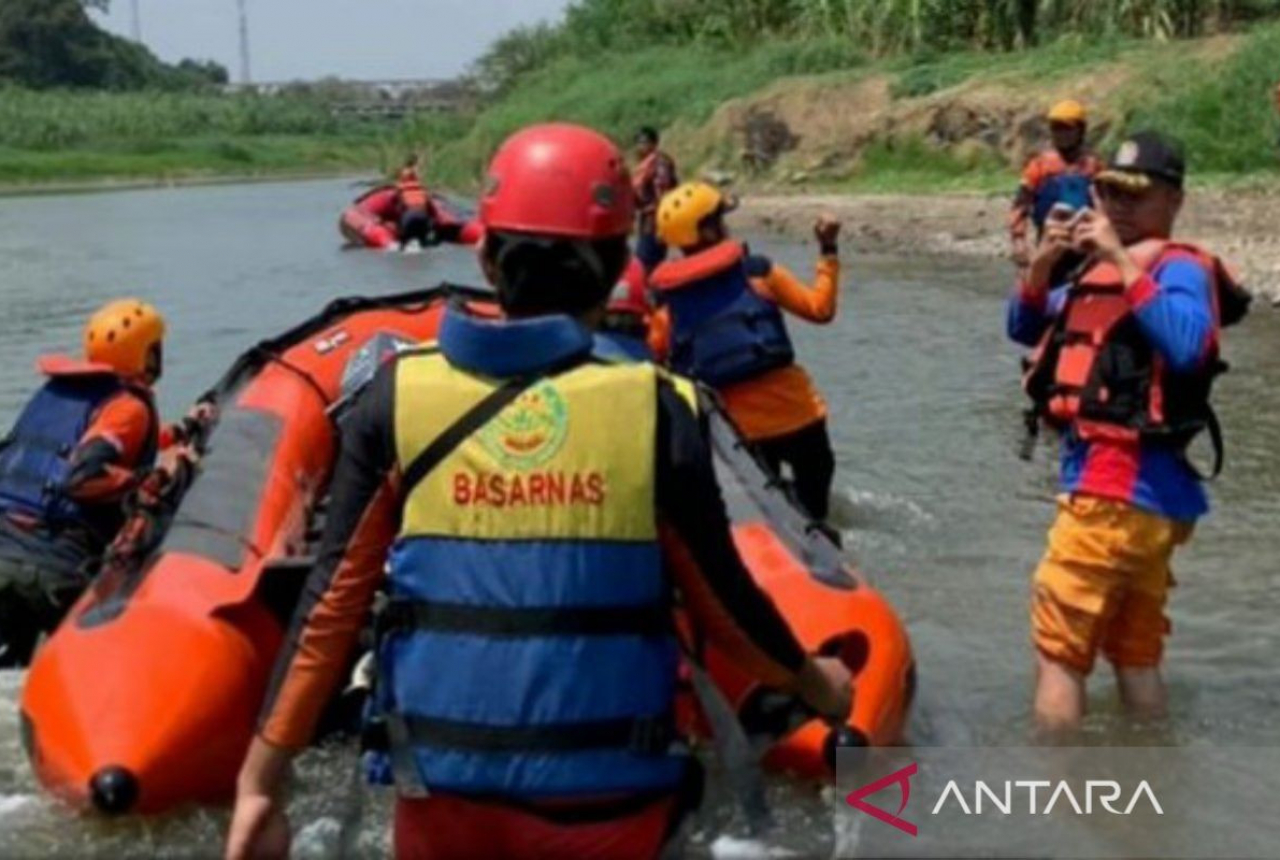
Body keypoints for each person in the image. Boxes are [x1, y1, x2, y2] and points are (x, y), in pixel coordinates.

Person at [225, 123, 852, 860]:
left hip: (442, 804)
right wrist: (822, 686)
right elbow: (727, 607)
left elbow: (330, 608)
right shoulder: (658, 406)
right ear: (621, 264)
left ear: (487, 257)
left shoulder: (393, 399)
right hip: (607, 806)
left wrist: (261, 783)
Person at [1008, 131, 1249, 733]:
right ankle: (1145, 791)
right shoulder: (1097, 269)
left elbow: (1190, 345)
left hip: (1111, 493)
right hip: (1149, 507)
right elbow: (1023, 324)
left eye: (1136, 196)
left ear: (1173, 201)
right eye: (1109, 191)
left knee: (1059, 654)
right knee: (1134, 654)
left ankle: (1054, 801)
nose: (1118, 206)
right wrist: (1041, 262)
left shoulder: (1179, 268)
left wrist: (1118, 257)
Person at [649, 181, 843, 526]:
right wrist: (828, 250)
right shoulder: (758, 273)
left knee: (775, 519)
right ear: (710, 230)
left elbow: (649, 365)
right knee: (817, 516)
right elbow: (820, 309)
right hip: (802, 416)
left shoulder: (667, 310)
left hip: (742, 436)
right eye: (721, 218)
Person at [0, 300, 166, 666]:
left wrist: (168, 439)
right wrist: (145, 481)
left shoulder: (54, 394)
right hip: (54, 565)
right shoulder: (128, 407)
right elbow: (81, 477)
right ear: (146, 354)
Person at [1009, 100, 1102, 277]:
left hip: (1086, 249)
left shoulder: (1093, 167)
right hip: (1049, 245)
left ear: (1080, 130)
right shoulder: (1040, 166)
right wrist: (1019, 241)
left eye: (1067, 128)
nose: (1062, 134)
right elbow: (1020, 205)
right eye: (1056, 128)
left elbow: (1107, 207)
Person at [632, 126, 678, 273]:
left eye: (644, 142)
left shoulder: (659, 164)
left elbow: (663, 193)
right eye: (638, 142)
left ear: (654, 143)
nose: (640, 146)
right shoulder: (644, 165)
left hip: (657, 220)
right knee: (646, 263)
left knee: (646, 262)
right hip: (646, 219)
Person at [395, 159, 435, 250]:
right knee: (423, 244)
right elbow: (431, 209)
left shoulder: (401, 190)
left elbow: (398, 209)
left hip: (409, 217)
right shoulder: (422, 188)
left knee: (403, 243)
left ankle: (402, 246)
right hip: (423, 216)